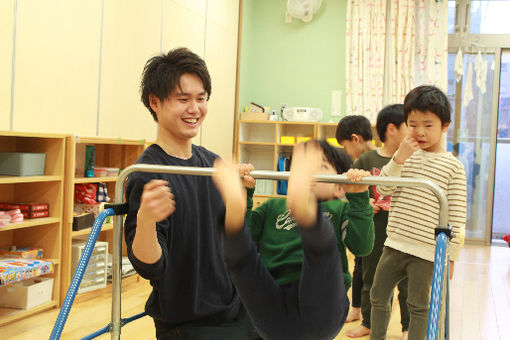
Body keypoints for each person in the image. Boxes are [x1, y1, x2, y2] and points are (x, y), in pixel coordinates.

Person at [124, 47, 257, 340]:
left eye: (201, 99)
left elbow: (232, 239)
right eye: (183, 99)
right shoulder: (146, 172)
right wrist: (146, 220)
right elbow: (150, 267)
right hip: (188, 323)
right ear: (155, 102)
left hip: (232, 308)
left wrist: (240, 198)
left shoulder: (212, 163)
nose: (195, 109)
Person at [212, 140, 375, 340]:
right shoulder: (272, 208)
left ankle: (308, 216)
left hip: (322, 312)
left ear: (340, 188)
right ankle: (234, 206)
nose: (309, 176)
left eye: (321, 166)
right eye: (302, 170)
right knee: (240, 261)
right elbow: (249, 238)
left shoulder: (339, 209)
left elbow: (362, 246)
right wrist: (245, 195)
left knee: (321, 250)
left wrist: (359, 198)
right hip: (272, 311)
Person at [369, 85, 467, 340]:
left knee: (419, 305)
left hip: (428, 251)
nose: (420, 131)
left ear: (445, 125)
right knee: (378, 295)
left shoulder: (453, 166)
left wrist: (451, 257)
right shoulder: (405, 156)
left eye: (428, 124)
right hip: (395, 243)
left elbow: (456, 215)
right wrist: (399, 158)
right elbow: (382, 189)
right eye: (413, 124)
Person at [345, 104, 410, 339]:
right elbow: (352, 191)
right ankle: (369, 322)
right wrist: (365, 203)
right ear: (392, 129)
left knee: (407, 282)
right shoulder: (366, 159)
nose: (413, 132)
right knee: (370, 278)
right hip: (375, 230)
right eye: (408, 126)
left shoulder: (411, 161)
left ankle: (407, 327)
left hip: (404, 231)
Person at [335, 114, 377, 323]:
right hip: (364, 221)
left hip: (382, 221)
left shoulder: (379, 159)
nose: (346, 152)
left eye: (345, 146)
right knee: (361, 266)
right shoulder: (355, 165)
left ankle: (365, 312)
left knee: (372, 270)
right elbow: (347, 193)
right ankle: (357, 308)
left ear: (355, 139)